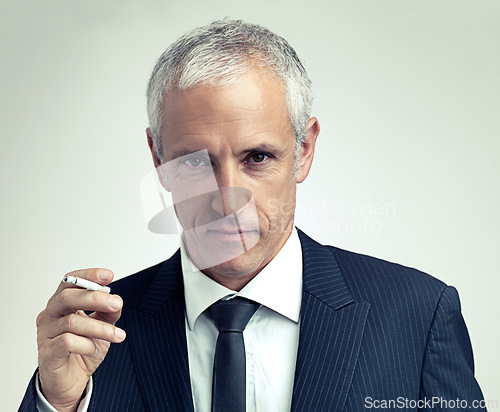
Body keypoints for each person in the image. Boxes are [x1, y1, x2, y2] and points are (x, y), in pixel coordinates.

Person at [20, 19, 485, 412]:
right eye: (195, 162)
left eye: (257, 157)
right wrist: (56, 405)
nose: (227, 198)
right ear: (158, 159)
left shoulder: (419, 317)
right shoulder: (93, 334)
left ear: (304, 150)